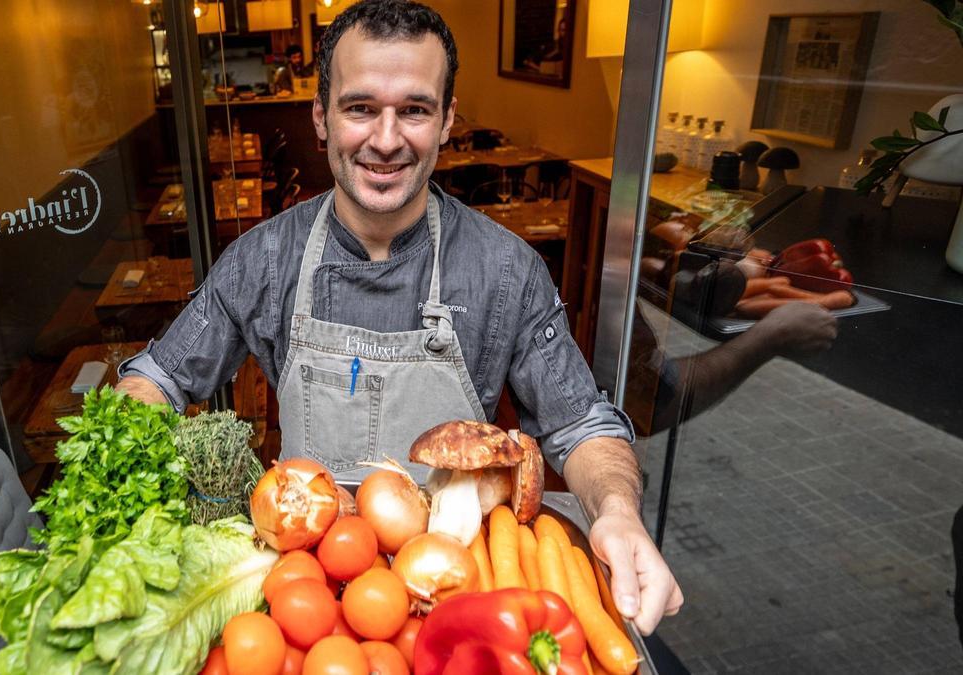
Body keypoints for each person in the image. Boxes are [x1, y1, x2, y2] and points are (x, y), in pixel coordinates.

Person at [117, 0, 682, 634]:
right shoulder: (265, 259)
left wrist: (617, 512)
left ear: (446, 121)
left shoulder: (504, 270)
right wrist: (117, 473)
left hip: (449, 597)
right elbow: (159, 380)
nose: (386, 140)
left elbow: (579, 424)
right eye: (360, 107)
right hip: (309, 593)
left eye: (414, 109)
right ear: (321, 116)